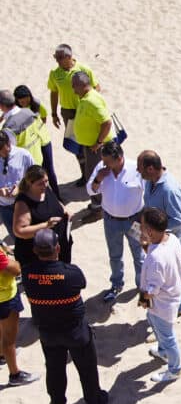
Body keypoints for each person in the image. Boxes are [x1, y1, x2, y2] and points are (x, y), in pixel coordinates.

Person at [23, 229, 108, 404]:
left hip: (47, 332)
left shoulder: (28, 273)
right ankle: (94, 403)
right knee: (87, 369)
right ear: (58, 248)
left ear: (35, 250)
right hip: (75, 331)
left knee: (54, 371)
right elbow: (81, 282)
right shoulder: (71, 274)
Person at [86, 141, 143, 301]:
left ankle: (141, 285)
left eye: (107, 161)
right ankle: (117, 284)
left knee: (139, 255)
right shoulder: (101, 169)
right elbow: (90, 189)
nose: (104, 164)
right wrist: (98, 178)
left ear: (119, 158)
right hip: (111, 221)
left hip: (134, 221)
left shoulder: (136, 169)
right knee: (115, 256)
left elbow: (149, 191)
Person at [137, 150, 181, 316]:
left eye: (140, 168)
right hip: (156, 237)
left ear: (150, 168)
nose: (138, 171)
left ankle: (180, 306)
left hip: (171, 241)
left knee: (173, 275)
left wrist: (156, 230)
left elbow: (179, 220)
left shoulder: (169, 190)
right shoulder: (150, 182)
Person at [139, 207, 181, 383]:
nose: (140, 228)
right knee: (160, 331)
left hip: (162, 305)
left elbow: (153, 289)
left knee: (168, 337)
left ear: (149, 230)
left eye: (142, 226)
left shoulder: (156, 258)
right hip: (171, 296)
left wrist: (143, 299)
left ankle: (175, 369)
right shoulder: (172, 239)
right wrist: (147, 247)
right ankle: (163, 352)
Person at [47, 44, 100, 185]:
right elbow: (54, 92)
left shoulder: (84, 69)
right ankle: (84, 175)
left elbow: (96, 88)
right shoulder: (54, 73)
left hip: (86, 112)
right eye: (55, 58)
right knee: (76, 145)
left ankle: (95, 176)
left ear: (69, 57)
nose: (57, 61)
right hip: (68, 113)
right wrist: (53, 113)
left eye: (60, 58)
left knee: (91, 144)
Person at [13, 165, 71, 269]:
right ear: (30, 183)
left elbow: (55, 201)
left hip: (59, 244)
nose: (44, 185)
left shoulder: (45, 189)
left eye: (46, 181)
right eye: (40, 183)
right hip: (40, 253)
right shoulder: (23, 203)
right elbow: (19, 231)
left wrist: (64, 210)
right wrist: (46, 225)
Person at [72, 70, 114, 212]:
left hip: (95, 148)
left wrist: (99, 142)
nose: (73, 90)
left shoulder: (91, 101)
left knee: (93, 175)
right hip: (91, 145)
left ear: (82, 85)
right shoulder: (87, 97)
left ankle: (98, 207)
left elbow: (107, 122)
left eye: (74, 86)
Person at [0, 243, 38, 387]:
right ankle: (15, 375)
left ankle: (1, 355)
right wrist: (9, 256)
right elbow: (16, 270)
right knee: (9, 339)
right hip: (5, 297)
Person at [13, 85, 61, 199]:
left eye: (26, 97)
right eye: (21, 99)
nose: (24, 101)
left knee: (49, 169)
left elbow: (44, 116)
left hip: (44, 140)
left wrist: (39, 128)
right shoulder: (16, 111)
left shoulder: (37, 104)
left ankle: (57, 196)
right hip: (33, 145)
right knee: (36, 173)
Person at [0, 129, 34, 241]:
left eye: (5, 150)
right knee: (17, 239)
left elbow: (36, 178)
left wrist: (20, 188)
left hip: (25, 204)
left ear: (9, 143)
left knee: (32, 236)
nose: (4, 154)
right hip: (5, 208)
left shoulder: (23, 155)